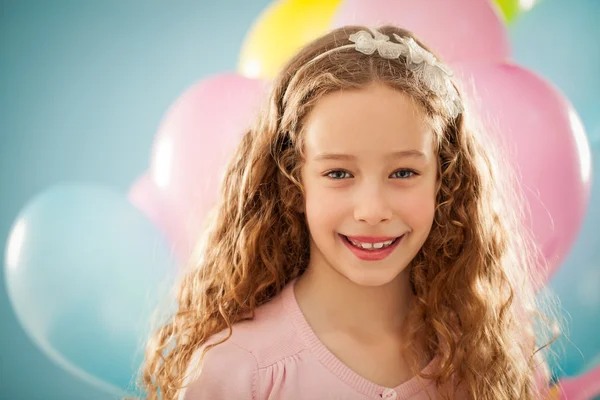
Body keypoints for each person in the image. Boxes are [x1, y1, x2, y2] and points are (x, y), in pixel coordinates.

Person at [137, 25, 560, 400]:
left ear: (445, 181)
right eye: (338, 172)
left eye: (404, 172)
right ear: (291, 181)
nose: (372, 210)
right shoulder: (238, 372)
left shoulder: (489, 360)